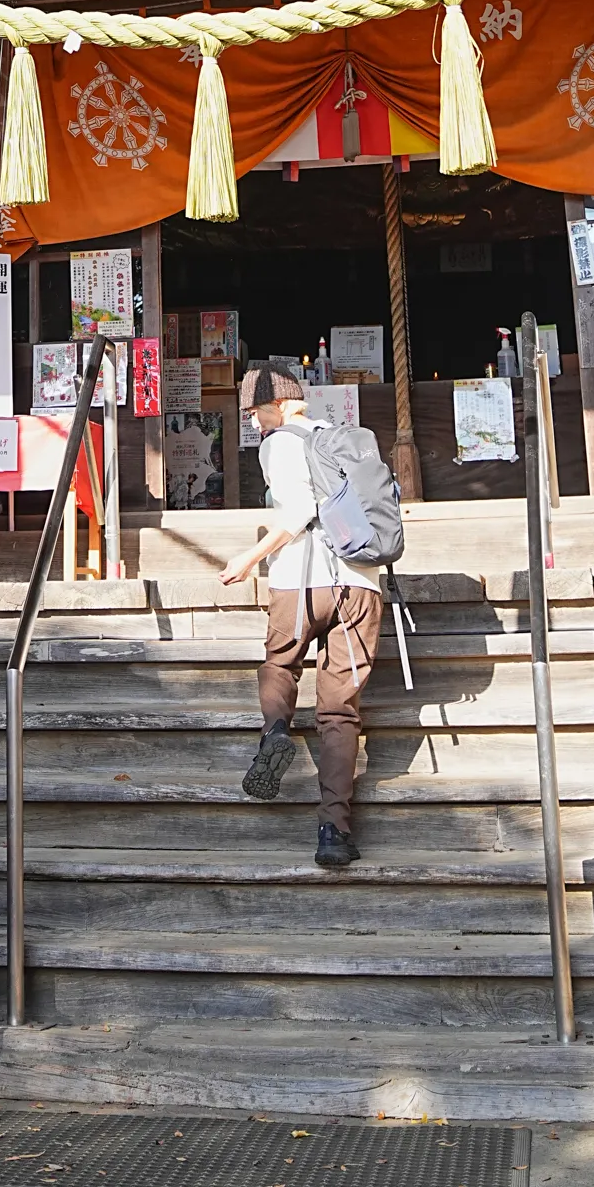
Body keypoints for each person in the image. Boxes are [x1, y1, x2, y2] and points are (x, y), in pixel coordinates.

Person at [219, 361, 384, 869]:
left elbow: (298, 510)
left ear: (278, 402)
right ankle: (333, 829)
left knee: (280, 663)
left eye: (254, 410)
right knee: (339, 712)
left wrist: (249, 558)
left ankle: (275, 731)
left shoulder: (281, 442)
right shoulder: (346, 440)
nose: (252, 422)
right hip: (360, 584)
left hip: (300, 580)